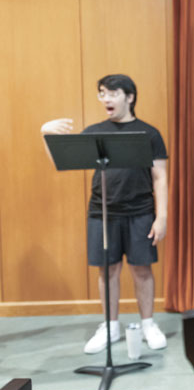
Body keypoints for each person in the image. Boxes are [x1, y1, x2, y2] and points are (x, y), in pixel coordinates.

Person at [40, 74, 169, 353]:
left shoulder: (149, 133)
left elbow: (160, 177)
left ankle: (148, 323)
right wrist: (46, 133)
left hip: (140, 210)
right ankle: (110, 327)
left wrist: (162, 217)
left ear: (130, 97)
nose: (106, 99)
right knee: (107, 269)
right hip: (102, 211)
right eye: (102, 93)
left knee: (142, 269)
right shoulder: (95, 131)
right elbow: (62, 162)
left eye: (112, 93)